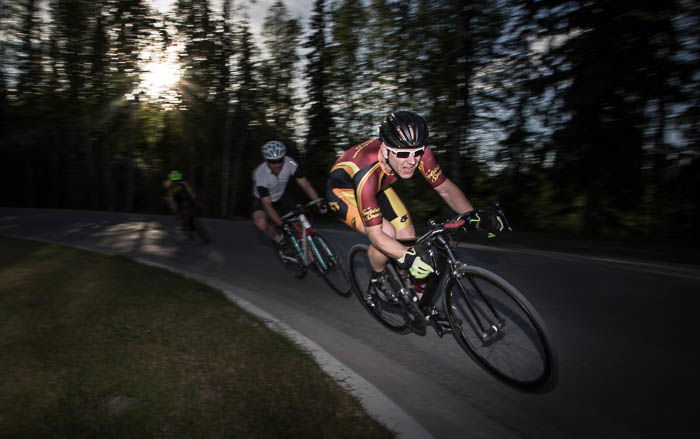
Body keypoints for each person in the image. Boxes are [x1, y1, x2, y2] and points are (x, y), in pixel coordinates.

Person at [326, 111, 502, 309]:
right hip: (344, 192)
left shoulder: (420, 153)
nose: (412, 161)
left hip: (379, 186)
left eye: (417, 152)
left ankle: (419, 300)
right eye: (402, 154)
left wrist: (473, 216)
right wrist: (406, 256)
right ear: (385, 150)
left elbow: (444, 189)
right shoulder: (367, 173)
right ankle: (378, 279)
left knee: (408, 235)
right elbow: (376, 236)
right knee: (387, 233)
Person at [251, 141, 326, 243]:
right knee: (261, 223)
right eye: (273, 162)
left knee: (301, 227)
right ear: (266, 160)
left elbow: (306, 186)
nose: (277, 165)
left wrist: (319, 203)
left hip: (281, 196)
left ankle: (309, 258)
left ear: (284, 157)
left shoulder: (290, 163)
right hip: (262, 200)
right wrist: (281, 224)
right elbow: (267, 204)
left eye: (280, 160)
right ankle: (279, 240)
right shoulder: (260, 174)